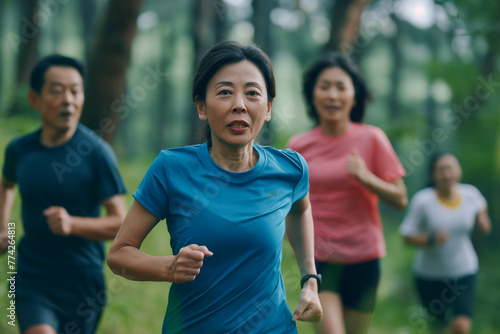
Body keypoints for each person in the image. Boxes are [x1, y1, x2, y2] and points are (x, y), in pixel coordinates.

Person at [107, 41, 323, 333]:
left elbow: (300, 210)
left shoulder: (290, 169)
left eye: (252, 94)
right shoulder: (172, 169)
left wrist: (310, 280)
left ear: (268, 107)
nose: (239, 104)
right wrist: (168, 268)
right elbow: (119, 254)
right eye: (224, 92)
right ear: (201, 107)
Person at [0, 54, 127, 334]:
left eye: (75, 91)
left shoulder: (96, 153)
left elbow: (122, 223)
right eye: (57, 91)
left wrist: (73, 225)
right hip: (31, 275)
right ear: (35, 99)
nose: (68, 100)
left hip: (82, 282)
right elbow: (6, 185)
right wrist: (3, 227)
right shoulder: (20, 150)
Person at [287, 52, 408, 334]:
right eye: (324, 86)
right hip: (319, 261)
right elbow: (289, 206)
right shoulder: (298, 146)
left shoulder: (372, 138)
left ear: (354, 96)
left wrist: (366, 177)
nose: (332, 95)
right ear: (312, 94)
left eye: (341, 87)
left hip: (364, 260)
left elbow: (400, 199)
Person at [399, 152, 491, 334]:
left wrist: (483, 219)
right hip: (429, 275)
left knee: (461, 326)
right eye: (441, 170)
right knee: (438, 328)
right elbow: (406, 235)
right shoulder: (423, 201)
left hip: (464, 271)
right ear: (433, 175)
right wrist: (431, 239)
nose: (447, 174)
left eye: (450, 168)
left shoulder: (471, 194)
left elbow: (481, 206)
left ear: (458, 171)